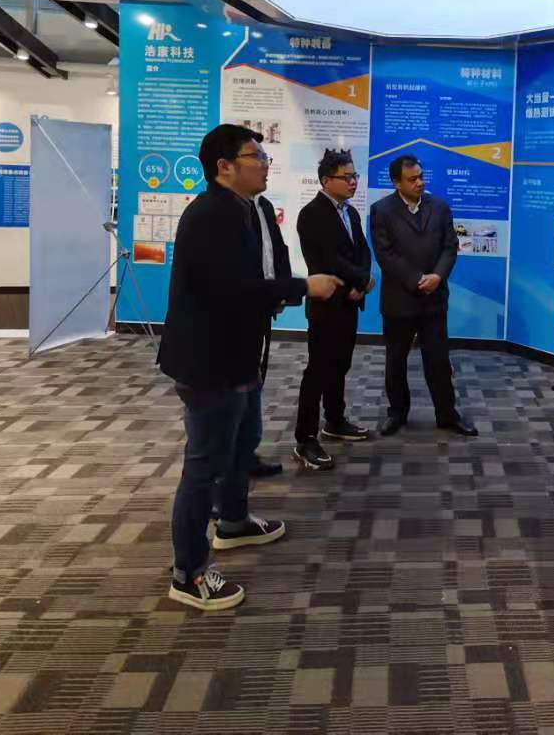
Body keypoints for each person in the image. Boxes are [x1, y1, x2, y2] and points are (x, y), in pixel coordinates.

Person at [158, 123, 343, 612]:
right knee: (204, 466)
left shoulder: (245, 208)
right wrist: (304, 287)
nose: (264, 164)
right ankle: (189, 573)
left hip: (239, 352)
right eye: (255, 157)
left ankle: (234, 520)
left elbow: (259, 271)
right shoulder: (210, 215)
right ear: (224, 166)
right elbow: (232, 290)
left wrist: (279, 290)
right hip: (209, 360)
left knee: (243, 442)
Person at [369, 154, 477, 438]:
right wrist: (417, 279)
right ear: (397, 183)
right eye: (412, 179)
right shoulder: (381, 210)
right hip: (399, 299)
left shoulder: (439, 207)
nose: (419, 182)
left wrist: (437, 277)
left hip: (434, 298)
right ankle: (397, 413)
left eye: (420, 176)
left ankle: (447, 415)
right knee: (396, 361)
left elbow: (450, 247)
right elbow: (384, 254)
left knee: (438, 361)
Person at [292, 148, 375, 470]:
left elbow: (362, 251)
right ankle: (305, 438)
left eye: (355, 176)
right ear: (326, 180)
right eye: (347, 177)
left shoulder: (350, 213)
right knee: (318, 371)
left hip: (349, 302)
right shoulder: (312, 214)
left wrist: (362, 281)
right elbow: (328, 259)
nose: (353, 182)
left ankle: (335, 420)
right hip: (326, 304)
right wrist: (360, 279)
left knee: (341, 364)